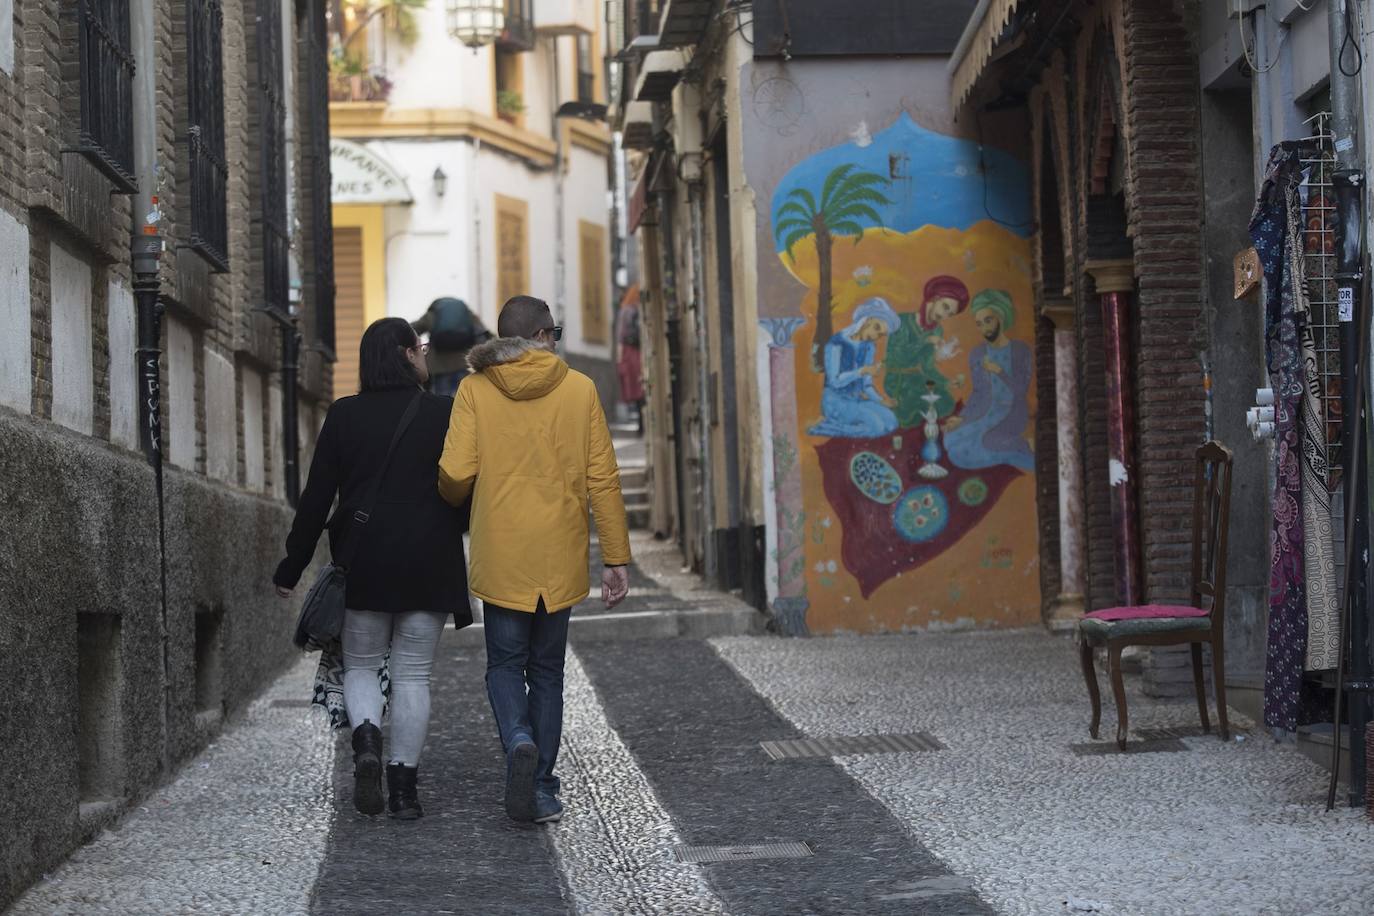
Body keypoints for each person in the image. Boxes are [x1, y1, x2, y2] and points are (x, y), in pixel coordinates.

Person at [438, 295, 631, 825]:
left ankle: (518, 739)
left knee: (503, 664)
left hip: (502, 552)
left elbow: (454, 473)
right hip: (560, 553)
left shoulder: (474, 390)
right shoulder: (580, 389)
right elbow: (603, 480)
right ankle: (542, 786)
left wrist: (463, 498)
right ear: (544, 335)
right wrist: (616, 559)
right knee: (547, 671)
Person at [273, 317, 471, 820]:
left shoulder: (344, 416)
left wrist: (291, 567)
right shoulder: (443, 413)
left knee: (361, 665)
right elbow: (464, 484)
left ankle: (366, 741)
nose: (425, 354)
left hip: (364, 559)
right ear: (406, 354)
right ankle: (404, 791)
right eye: (420, 347)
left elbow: (316, 498)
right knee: (412, 676)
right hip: (428, 560)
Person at [943, 289, 1034, 471]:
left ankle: (1021, 446)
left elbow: (1021, 391)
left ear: (1000, 317)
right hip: (984, 411)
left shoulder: (1019, 350)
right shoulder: (977, 353)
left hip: (1012, 412)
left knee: (987, 441)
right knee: (951, 441)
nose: (985, 328)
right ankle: (1010, 446)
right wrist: (962, 418)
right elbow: (978, 392)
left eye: (988, 320)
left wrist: (999, 371)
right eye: (979, 324)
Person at [807, 297, 901, 438]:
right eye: (876, 328)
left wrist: (881, 400)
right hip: (835, 401)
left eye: (881, 334)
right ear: (866, 320)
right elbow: (835, 381)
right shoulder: (836, 343)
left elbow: (867, 386)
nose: (876, 336)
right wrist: (862, 371)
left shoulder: (869, 347)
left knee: (892, 422)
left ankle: (842, 425)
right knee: (877, 428)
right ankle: (825, 426)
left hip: (855, 400)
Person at [886, 275, 970, 428]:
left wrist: (946, 382)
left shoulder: (937, 330)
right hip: (897, 379)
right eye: (945, 307)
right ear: (934, 298)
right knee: (917, 402)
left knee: (946, 402)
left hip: (918, 378)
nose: (945, 315)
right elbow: (898, 357)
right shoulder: (902, 321)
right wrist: (925, 341)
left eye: (950, 314)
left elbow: (927, 367)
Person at [411, 296, 491, 397]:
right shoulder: (466, 314)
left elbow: (414, 329)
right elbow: (483, 332)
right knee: (464, 398)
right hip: (462, 364)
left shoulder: (434, 314)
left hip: (439, 366)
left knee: (442, 400)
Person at [616, 290, 645, 433]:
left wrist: (620, 358)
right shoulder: (633, 310)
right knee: (640, 388)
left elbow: (620, 337)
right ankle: (642, 423)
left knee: (635, 388)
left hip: (628, 352)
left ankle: (641, 424)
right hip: (636, 351)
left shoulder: (624, 311)